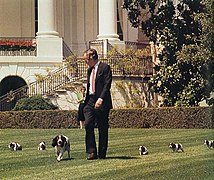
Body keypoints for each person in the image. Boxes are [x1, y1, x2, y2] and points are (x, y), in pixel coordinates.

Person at [83, 48, 113, 160]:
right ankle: (91, 152)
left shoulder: (105, 68)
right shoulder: (89, 70)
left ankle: (102, 153)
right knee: (88, 124)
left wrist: (101, 98)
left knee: (102, 127)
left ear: (92, 57)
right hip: (90, 100)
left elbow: (107, 84)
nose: (85, 61)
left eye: (86, 59)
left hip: (102, 101)